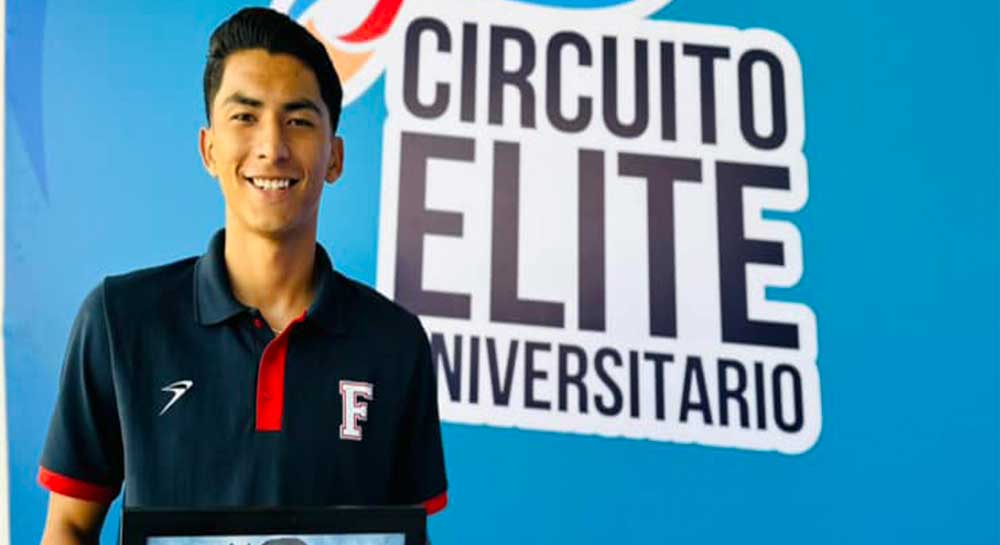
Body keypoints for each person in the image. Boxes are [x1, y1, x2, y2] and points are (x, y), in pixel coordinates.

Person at [38, 7, 447, 544]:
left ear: (335, 156)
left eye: (298, 120)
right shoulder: (120, 320)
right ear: (209, 149)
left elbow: (403, 536)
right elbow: (69, 525)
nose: (272, 147)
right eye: (245, 117)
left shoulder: (395, 342)